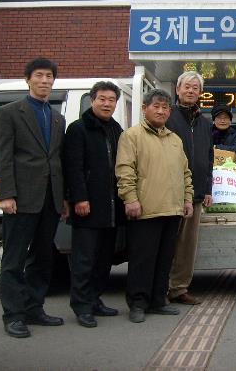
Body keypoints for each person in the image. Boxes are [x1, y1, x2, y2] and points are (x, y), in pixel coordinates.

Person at [0, 58, 67, 338]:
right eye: (39, 75)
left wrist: (63, 198)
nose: (44, 81)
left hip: (50, 199)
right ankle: (13, 315)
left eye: (49, 76)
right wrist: (6, 194)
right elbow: (3, 156)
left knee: (42, 257)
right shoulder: (10, 112)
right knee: (14, 259)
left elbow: (57, 159)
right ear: (28, 79)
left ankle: (34, 308)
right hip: (21, 198)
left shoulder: (57, 117)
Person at [116, 89, 194, 323]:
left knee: (164, 259)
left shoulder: (174, 139)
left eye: (165, 108)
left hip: (173, 209)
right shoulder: (132, 136)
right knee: (143, 259)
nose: (161, 111)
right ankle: (138, 303)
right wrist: (130, 199)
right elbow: (125, 170)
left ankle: (158, 300)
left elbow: (185, 173)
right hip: (145, 209)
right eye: (156, 106)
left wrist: (187, 199)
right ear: (145, 109)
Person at [63, 81, 124, 328]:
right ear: (92, 100)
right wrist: (79, 198)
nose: (107, 103)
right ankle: (81, 306)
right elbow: (73, 167)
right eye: (102, 99)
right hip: (87, 206)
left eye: (111, 100)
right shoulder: (78, 129)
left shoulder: (116, 129)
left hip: (111, 208)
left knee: (103, 260)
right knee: (84, 260)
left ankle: (95, 299)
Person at [166, 71, 213, 306]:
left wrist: (208, 188)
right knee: (165, 241)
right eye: (187, 86)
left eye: (195, 87)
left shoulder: (205, 123)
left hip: (195, 194)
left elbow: (209, 158)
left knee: (187, 245)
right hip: (168, 191)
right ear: (177, 90)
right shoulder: (167, 116)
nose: (191, 90)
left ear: (200, 93)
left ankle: (178, 288)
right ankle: (159, 288)